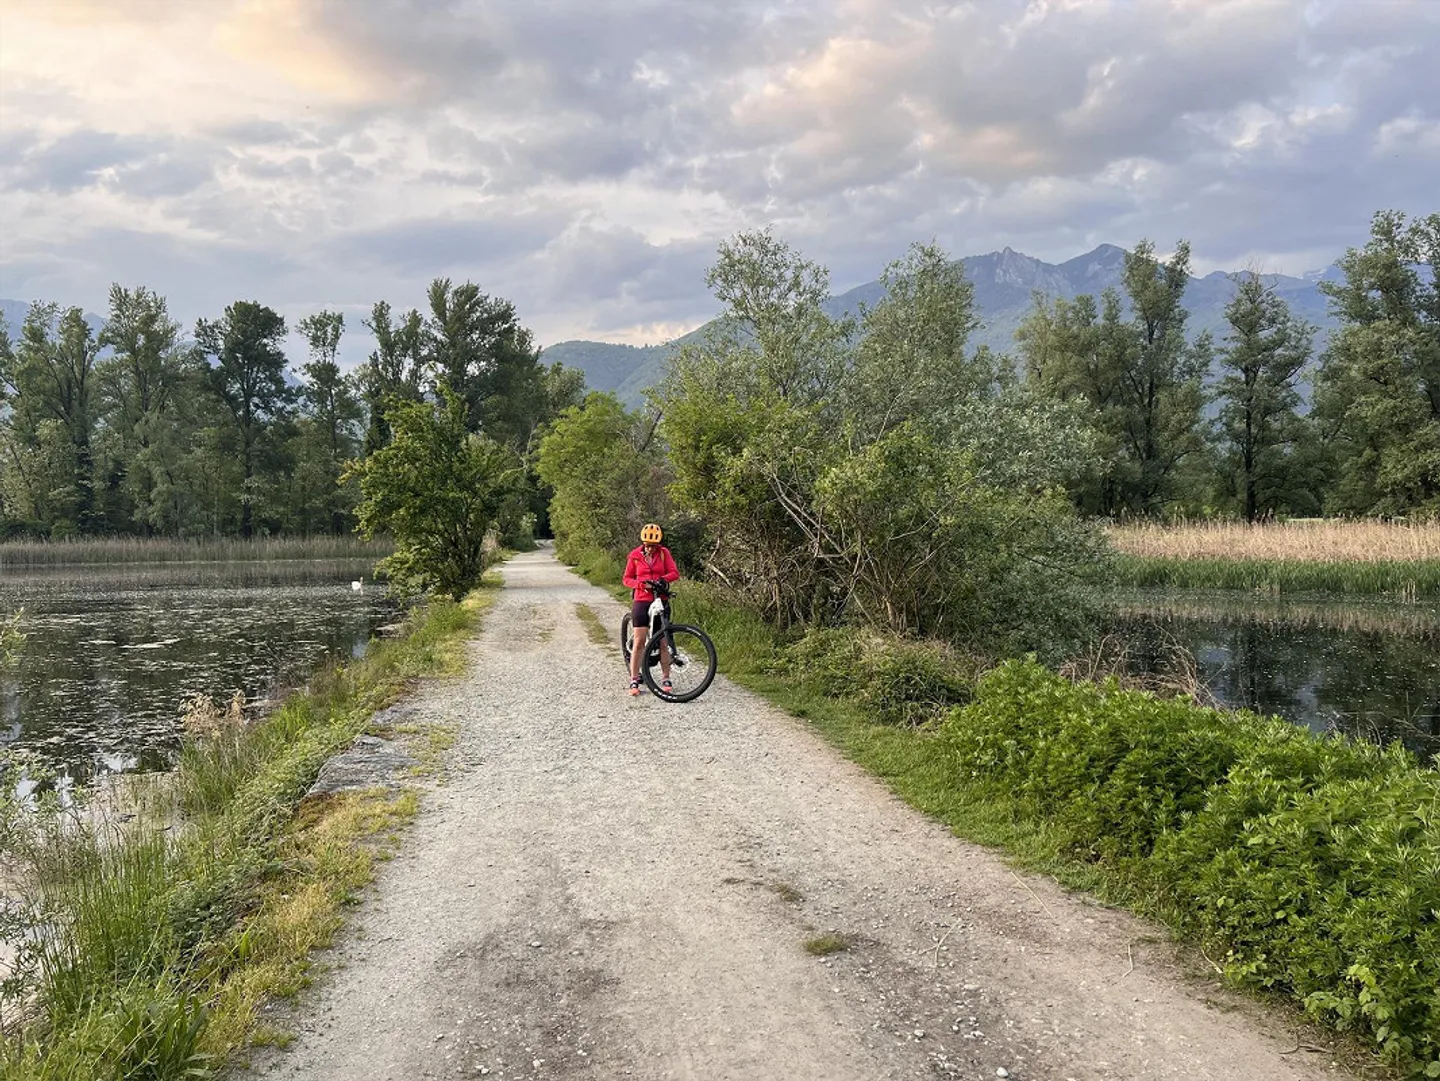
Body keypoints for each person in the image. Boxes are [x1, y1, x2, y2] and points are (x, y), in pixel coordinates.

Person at [622, 523, 680, 696]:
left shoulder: (663, 553)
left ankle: (665, 677)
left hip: (660, 599)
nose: (650, 548)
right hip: (641, 599)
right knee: (639, 641)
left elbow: (674, 573)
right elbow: (627, 578)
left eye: (653, 545)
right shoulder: (634, 555)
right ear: (643, 542)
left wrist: (663, 579)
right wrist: (639, 584)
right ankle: (634, 679)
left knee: (663, 641)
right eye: (647, 545)